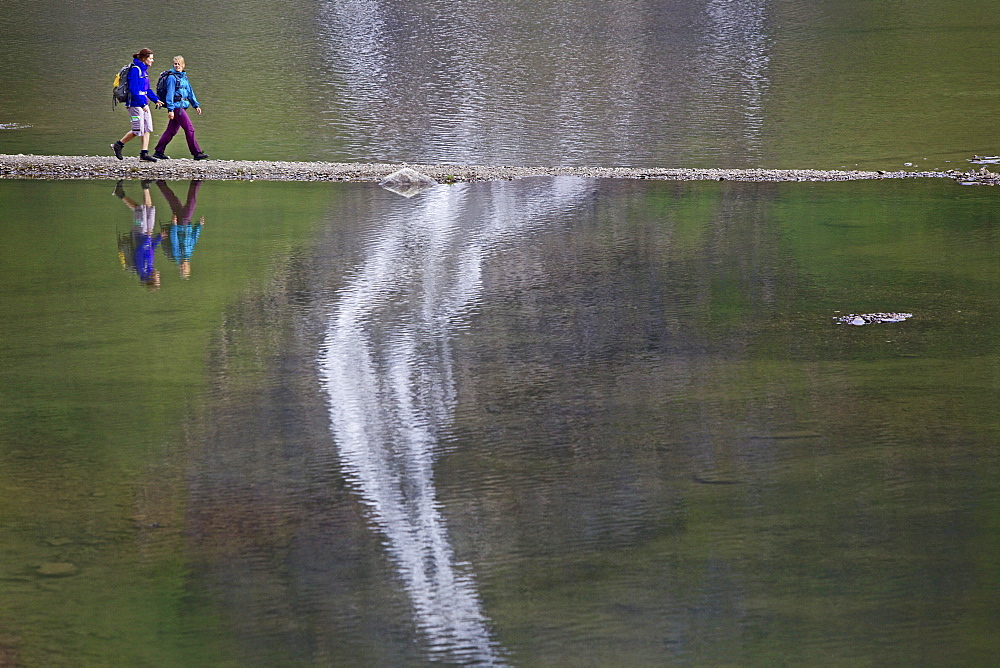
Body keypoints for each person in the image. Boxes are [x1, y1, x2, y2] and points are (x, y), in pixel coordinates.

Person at [110, 49, 163, 162]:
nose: (153, 61)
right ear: (144, 58)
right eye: (151, 58)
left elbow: (147, 89)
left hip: (143, 104)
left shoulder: (144, 70)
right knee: (137, 129)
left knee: (147, 128)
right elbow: (133, 90)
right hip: (134, 105)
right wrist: (142, 104)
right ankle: (118, 145)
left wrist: (156, 100)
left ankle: (144, 153)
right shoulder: (135, 70)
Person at [153, 56, 209, 160]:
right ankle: (196, 153)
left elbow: (190, 92)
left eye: (179, 64)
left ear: (183, 65)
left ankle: (159, 151)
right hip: (176, 108)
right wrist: (170, 110)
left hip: (182, 106)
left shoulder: (184, 77)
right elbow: (169, 94)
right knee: (190, 129)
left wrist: (195, 105)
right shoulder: (172, 78)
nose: (177, 66)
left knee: (171, 131)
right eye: (175, 64)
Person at [114, 180, 161, 288]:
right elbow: (150, 249)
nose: (159, 276)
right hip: (147, 234)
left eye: (157, 278)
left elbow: (139, 250)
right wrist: (159, 238)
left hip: (139, 233)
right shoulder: (148, 267)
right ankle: (145, 186)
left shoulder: (142, 268)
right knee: (149, 209)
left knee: (139, 210)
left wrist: (148, 237)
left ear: (152, 279)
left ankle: (120, 193)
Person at [156, 180, 205, 278]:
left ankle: (196, 181)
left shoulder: (178, 255)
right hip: (186, 225)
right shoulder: (188, 255)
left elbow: (174, 240)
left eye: (181, 269)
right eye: (184, 268)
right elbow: (193, 240)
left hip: (180, 224)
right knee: (174, 202)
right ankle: (160, 183)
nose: (182, 266)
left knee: (191, 204)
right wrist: (199, 226)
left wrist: (174, 225)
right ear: (188, 266)